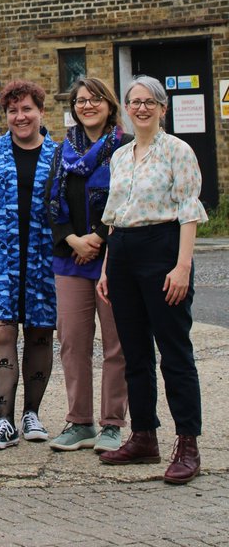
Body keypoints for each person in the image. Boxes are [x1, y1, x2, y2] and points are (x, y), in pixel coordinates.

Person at [97, 75, 208, 484]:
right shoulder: (121, 156)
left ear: (163, 108)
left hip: (162, 249)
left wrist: (182, 267)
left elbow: (189, 211)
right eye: (134, 101)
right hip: (123, 252)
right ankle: (143, 434)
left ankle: (188, 443)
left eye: (149, 102)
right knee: (135, 353)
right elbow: (114, 216)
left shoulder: (179, 151)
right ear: (126, 108)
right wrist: (108, 267)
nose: (141, 108)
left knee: (174, 352)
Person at [0, 79, 56, 450]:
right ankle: (4, 421)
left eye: (27, 109)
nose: (20, 117)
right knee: (1, 334)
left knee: (39, 333)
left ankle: (32, 413)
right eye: (13, 111)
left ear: (40, 112)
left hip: (43, 260)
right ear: (6, 116)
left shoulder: (59, 157)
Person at [45, 76, 127, 452]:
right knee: (73, 344)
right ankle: (79, 422)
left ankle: (112, 424)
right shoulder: (64, 152)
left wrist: (98, 237)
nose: (87, 105)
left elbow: (129, 202)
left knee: (117, 345)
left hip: (113, 260)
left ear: (109, 105)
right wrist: (73, 238)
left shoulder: (124, 148)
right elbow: (51, 203)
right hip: (70, 260)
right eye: (80, 100)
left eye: (95, 99)